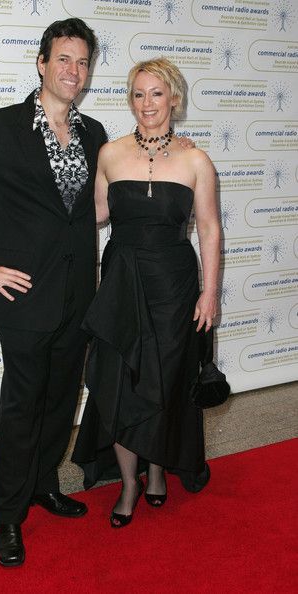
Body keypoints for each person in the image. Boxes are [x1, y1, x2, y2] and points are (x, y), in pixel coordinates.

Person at [0, 18, 108, 567]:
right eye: (63, 59)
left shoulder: (95, 133)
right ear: (41, 63)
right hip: (23, 298)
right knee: (22, 405)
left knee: (61, 400)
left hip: (78, 295)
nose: (73, 71)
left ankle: (43, 485)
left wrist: (168, 150)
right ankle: (8, 515)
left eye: (82, 61)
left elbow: (94, 208)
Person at [72, 56, 221, 528]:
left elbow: (210, 230)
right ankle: (129, 483)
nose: (147, 103)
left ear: (174, 98)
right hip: (122, 281)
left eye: (156, 93)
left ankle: (157, 471)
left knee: (165, 382)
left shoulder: (196, 160)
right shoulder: (110, 153)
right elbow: (96, 215)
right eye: (138, 94)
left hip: (174, 286)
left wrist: (210, 293)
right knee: (120, 384)